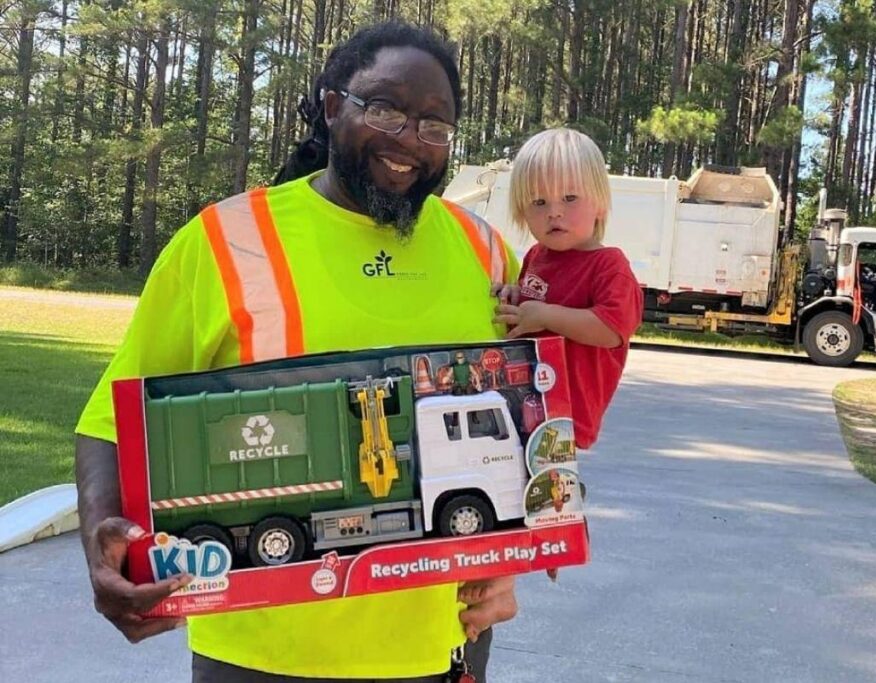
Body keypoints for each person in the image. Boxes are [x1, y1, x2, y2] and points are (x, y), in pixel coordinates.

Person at [75, 22, 518, 682]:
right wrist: (102, 546)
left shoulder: (483, 250)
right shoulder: (227, 241)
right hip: (258, 651)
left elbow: (518, 421)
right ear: (332, 104)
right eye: (385, 108)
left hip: (441, 646)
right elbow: (113, 419)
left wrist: (510, 563)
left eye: (434, 124)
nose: (408, 139)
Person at [493, 128, 643, 451]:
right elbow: (532, 311)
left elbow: (611, 330)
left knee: (553, 499)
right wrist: (516, 298)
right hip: (525, 405)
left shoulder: (609, 265)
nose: (554, 212)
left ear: (600, 204)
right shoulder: (535, 256)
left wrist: (545, 315)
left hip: (566, 420)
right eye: (539, 202)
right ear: (522, 212)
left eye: (569, 198)